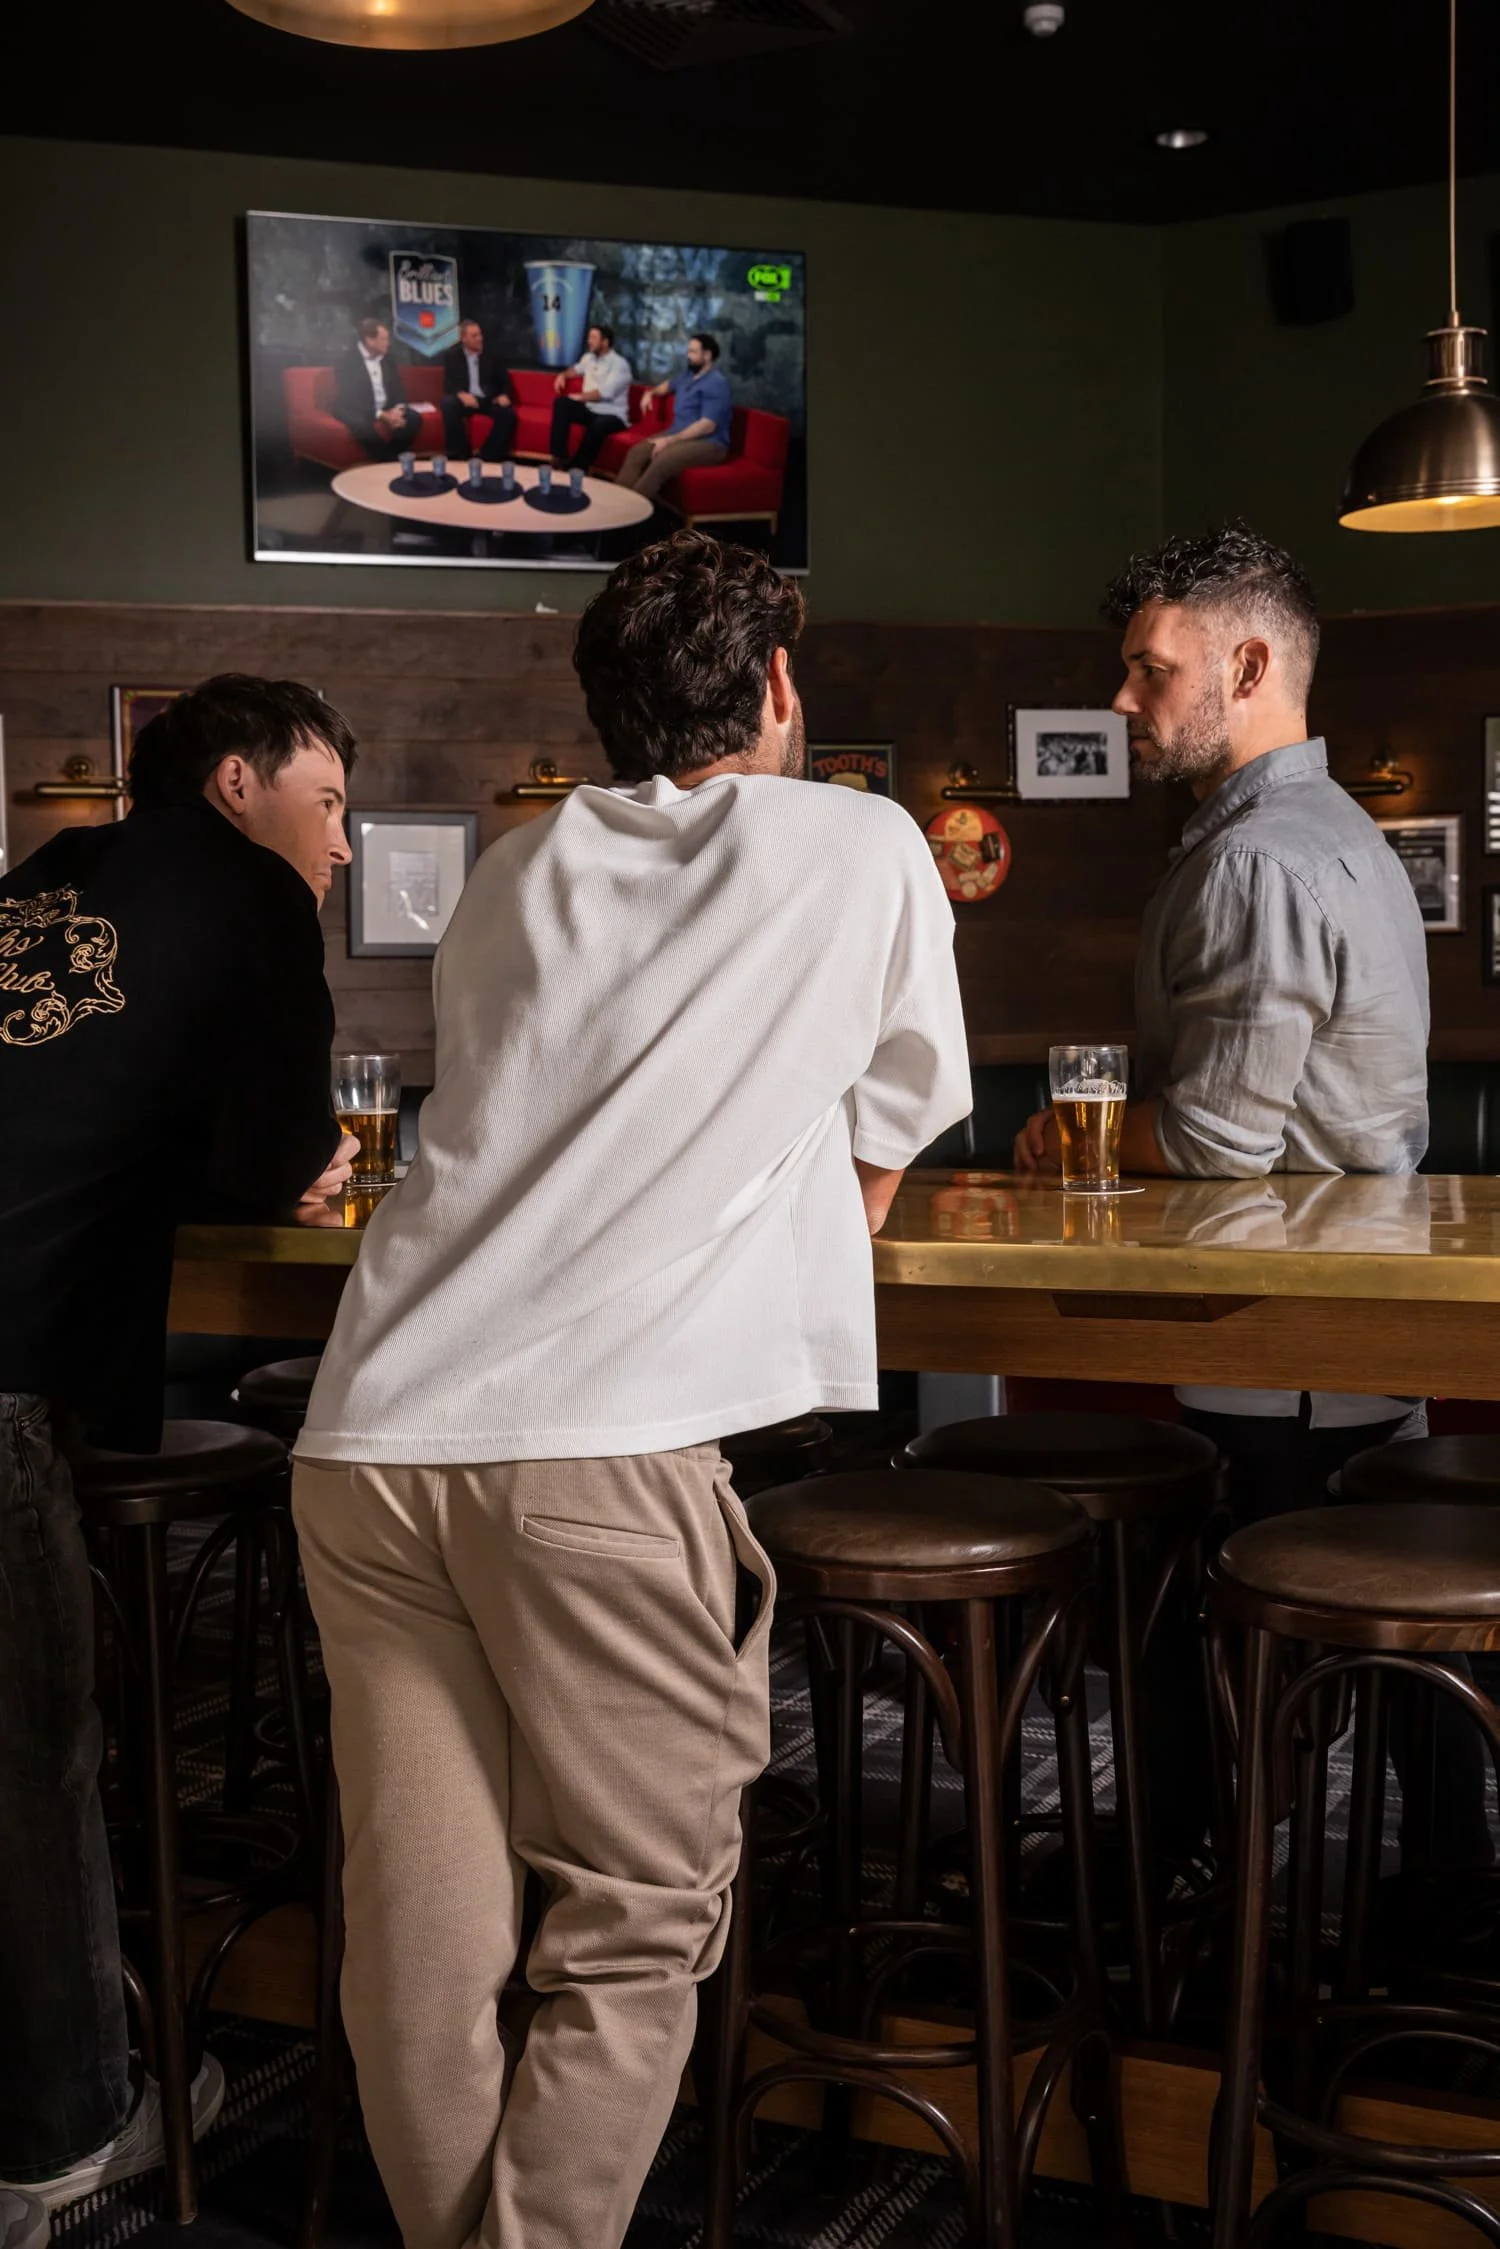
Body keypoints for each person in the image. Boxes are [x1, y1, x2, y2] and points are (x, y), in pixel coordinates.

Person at [291, 529, 971, 2249]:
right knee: (637, 1915)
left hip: (370, 1430)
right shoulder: (864, 839)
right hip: (594, 1452)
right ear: (780, 692)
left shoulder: (522, 865)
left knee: (426, 1935)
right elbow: (893, 1137)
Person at [1014, 520, 1493, 1875]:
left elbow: (1222, 1136)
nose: (1124, 700)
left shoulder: (1256, 857)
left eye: (1148, 670)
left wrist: (1080, 1134)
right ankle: (1435, 1902)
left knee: (1180, 1595)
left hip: (1281, 1345)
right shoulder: (1330, 830)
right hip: (1350, 1333)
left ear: (1250, 662)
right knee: (1383, 1647)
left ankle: (1182, 1880)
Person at [0, 677, 359, 2234]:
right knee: (29, 1759)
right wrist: (314, 1162)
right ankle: (71, 2130)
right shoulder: (258, 901)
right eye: (331, 801)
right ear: (237, 781)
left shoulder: (46, 878)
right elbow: (276, 1166)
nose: (341, 842)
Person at [614, 332, 732, 503]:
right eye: (688, 351)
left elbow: (707, 425)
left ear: (707, 355)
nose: (688, 355)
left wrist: (669, 441)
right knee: (636, 452)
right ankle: (615, 503)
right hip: (678, 434)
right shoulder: (686, 376)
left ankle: (632, 510)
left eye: (693, 352)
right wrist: (651, 392)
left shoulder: (717, 383)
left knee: (662, 460)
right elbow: (667, 386)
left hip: (709, 443)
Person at [332, 317, 424, 461]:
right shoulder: (347, 361)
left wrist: (398, 410)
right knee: (361, 423)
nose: (388, 343)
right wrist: (381, 415)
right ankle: (389, 460)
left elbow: (397, 387)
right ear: (370, 340)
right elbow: (351, 398)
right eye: (384, 339)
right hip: (356, 408)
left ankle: (387, 457)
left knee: (414, 419)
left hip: (386, 408)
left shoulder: (388, 359)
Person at [548, 322, 632, 474]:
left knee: (598, 426)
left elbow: (606, 393)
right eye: (589, 337)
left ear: (605, 342)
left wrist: (580, 397)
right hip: (590, 409)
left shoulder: (620, 365)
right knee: (561, 404)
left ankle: (577, 468)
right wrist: (563, 375)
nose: (589, 341)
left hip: (613, 415)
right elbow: (576, 369)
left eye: (593, 338)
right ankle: (558, 458)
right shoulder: (588, 358)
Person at [439, 318, 517, 462]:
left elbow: (504, 380)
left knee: (508, 414)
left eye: (480, 334)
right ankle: (460, 454)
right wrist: (461, 394)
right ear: (463, 338)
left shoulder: (491, 354)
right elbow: (448, 384)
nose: (479, 339)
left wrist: (504, 395)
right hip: (466, 400)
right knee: (447, 403)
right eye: (474, 336)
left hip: (486, 399)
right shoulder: (452, 356)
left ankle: (487, 456)